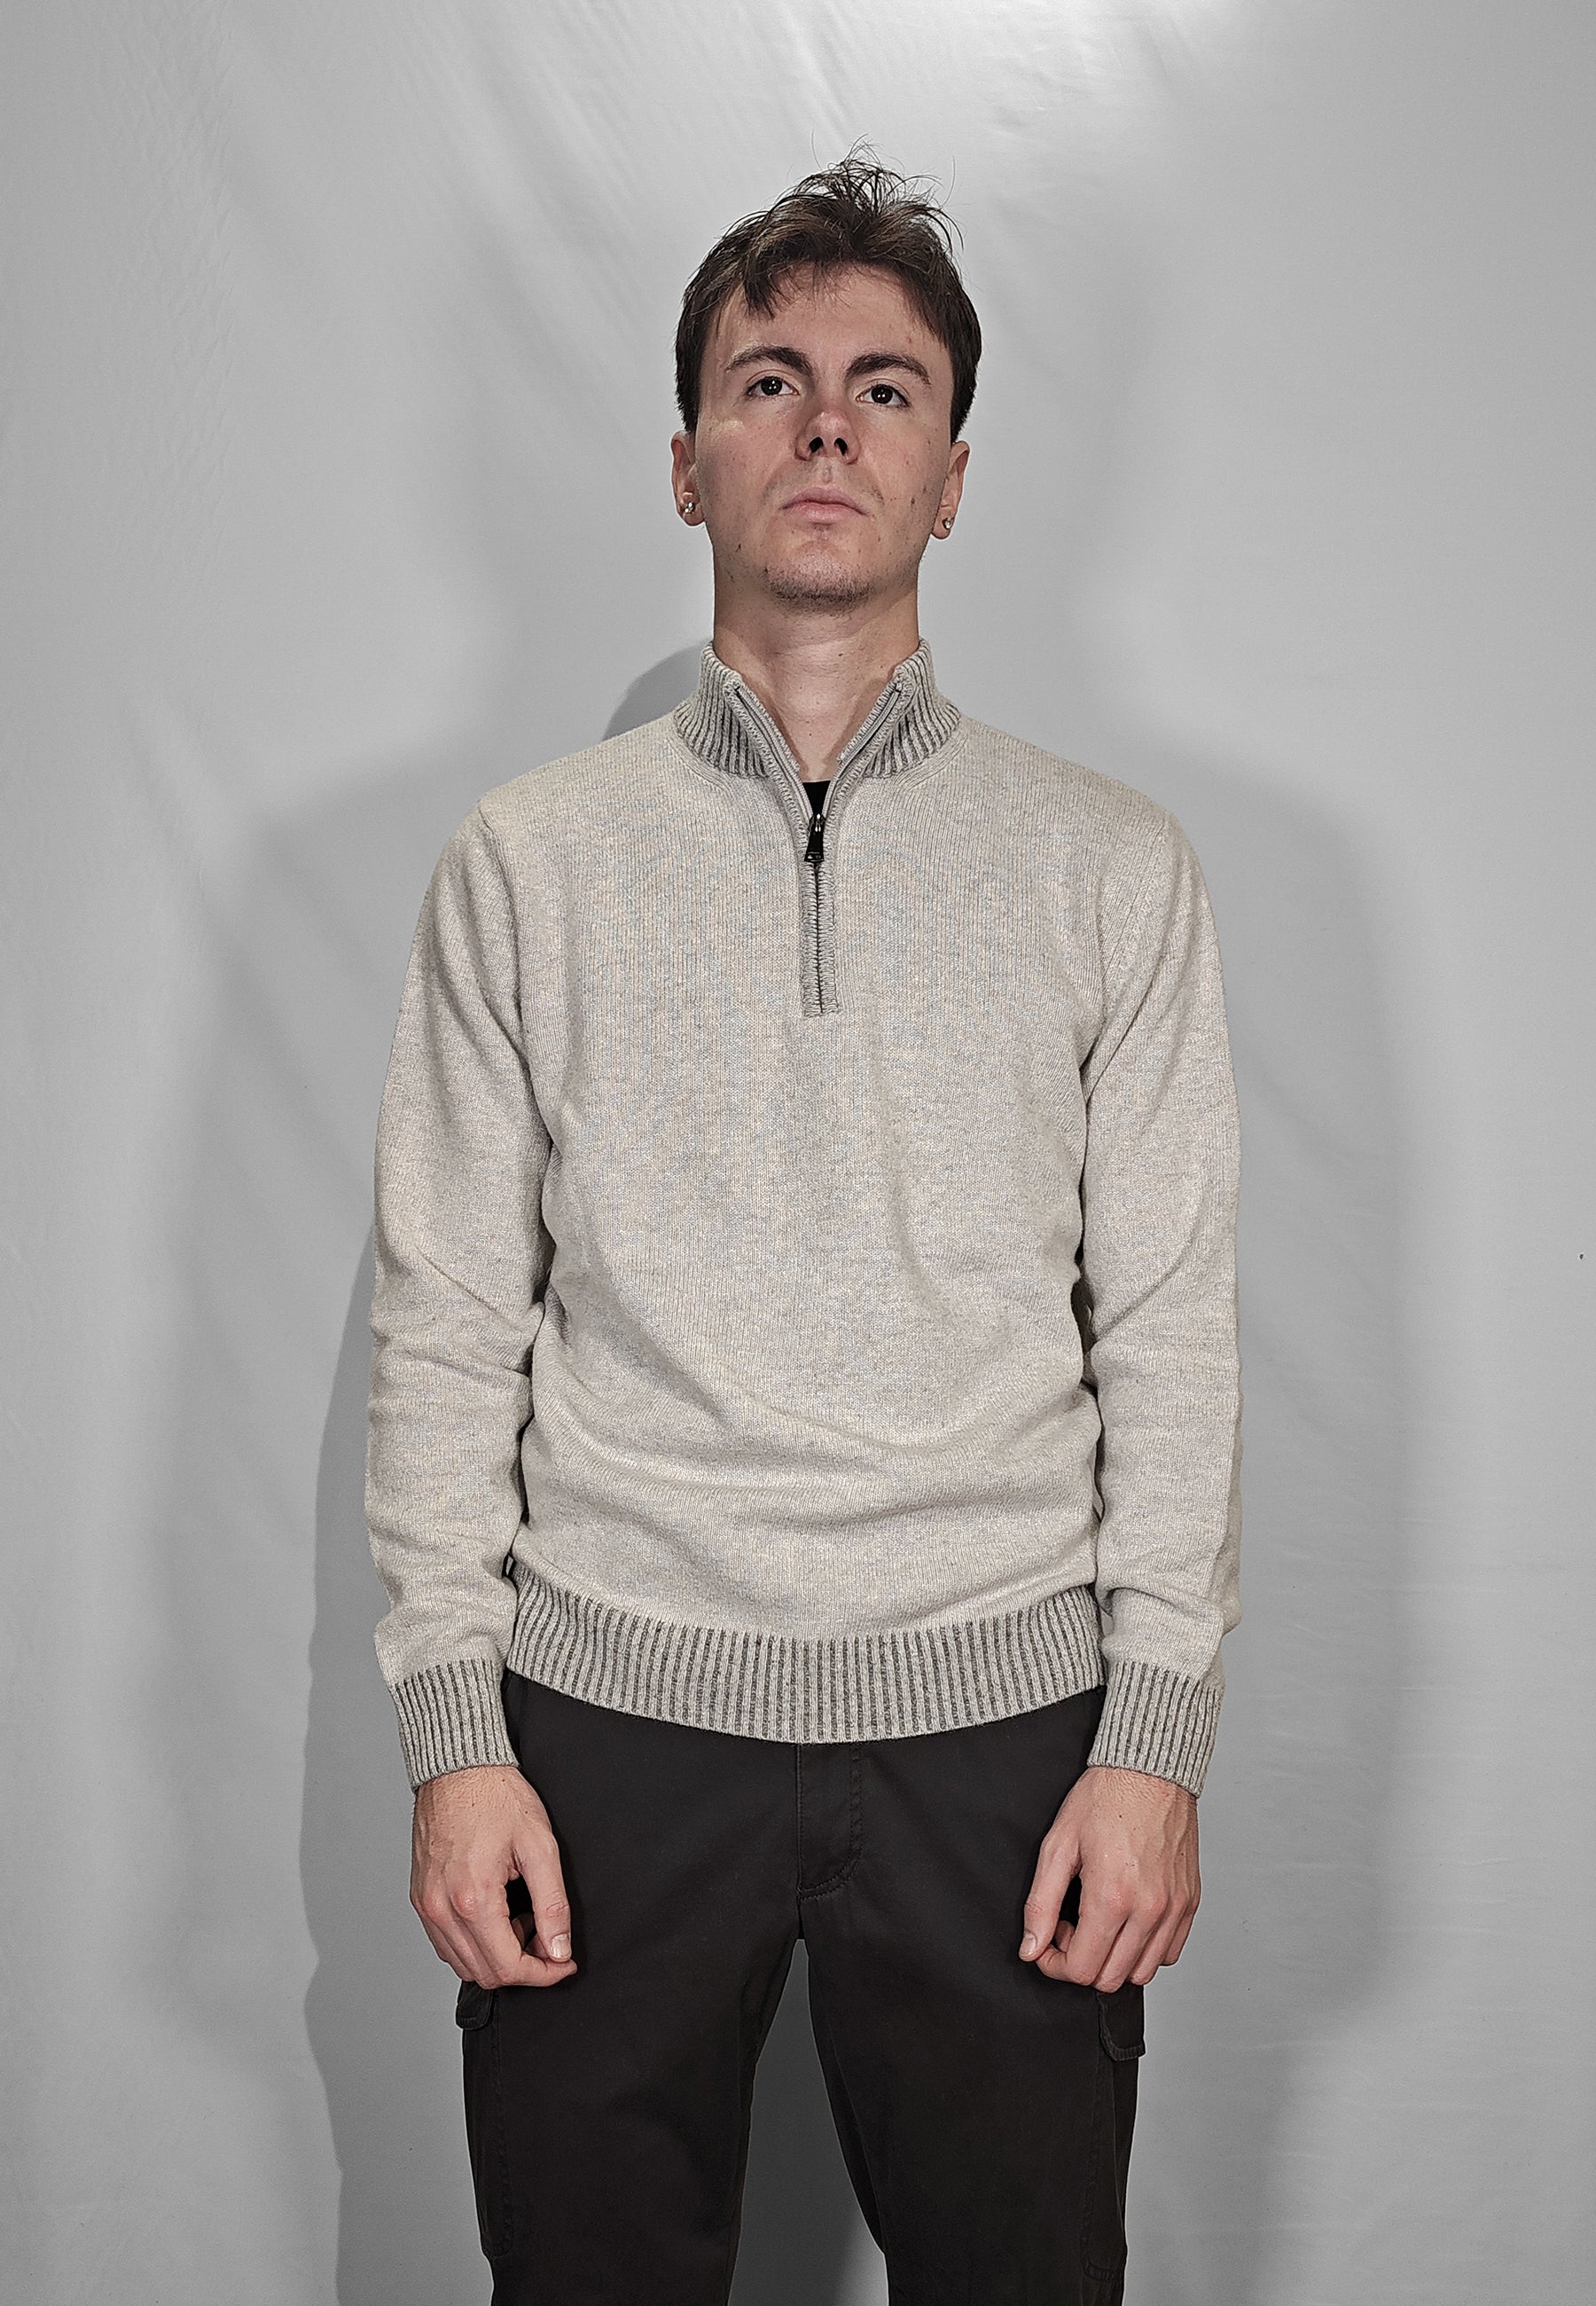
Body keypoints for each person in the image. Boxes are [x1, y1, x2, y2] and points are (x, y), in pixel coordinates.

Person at [365, 152, 1241, 2306]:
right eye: (768, 382)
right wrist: (455, 1735)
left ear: (953, 476)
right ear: (687, 465)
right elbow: (449, 1320)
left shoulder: (1111, 865)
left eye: (884, 387)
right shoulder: (528, 861)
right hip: (606, 1715)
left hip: (1001, 1722)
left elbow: (1172, 1329)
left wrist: (1152, 1740)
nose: (826, 425)